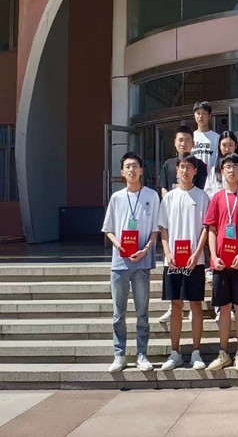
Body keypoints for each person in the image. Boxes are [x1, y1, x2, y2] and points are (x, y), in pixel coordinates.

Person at [102, 152, 161, 373]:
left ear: (141, 170)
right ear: (122, 172)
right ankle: (119, 354)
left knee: (142, 312)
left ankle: (142, 354)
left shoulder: (151, 196)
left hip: (142, 261)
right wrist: (119, 246)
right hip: (120, 262)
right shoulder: (117, 197)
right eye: (127, 166)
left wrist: (146, 249)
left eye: (135, 166)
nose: (131, 170)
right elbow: (108, 229)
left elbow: (156, 228)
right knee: (118, 312)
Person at [204, 153, 238, 371]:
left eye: (235, 166)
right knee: (224, 307)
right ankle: (223, 352)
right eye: (227, 166)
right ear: (221, 172)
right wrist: (214, 255)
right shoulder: (217, 198)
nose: (231, 170)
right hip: (220, 262)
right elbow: (211, 229)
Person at [157, 154, 210, 370]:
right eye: (182, 167)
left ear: (195, 171)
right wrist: (167, 253)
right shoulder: (169, 198)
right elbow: (163, 228)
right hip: (172, 261)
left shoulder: (202, 196)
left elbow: (206, 228)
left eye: (189, 167)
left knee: (195, 304)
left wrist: (197, 253)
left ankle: (196, 351)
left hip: (195, 261)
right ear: (177, 170)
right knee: (175, 304)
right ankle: (175, 352)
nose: (185, 171)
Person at [157, 125, 207, 199]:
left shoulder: (199, 164)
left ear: (193, 144)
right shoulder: (168, 164)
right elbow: (163, 187)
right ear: (175, 142)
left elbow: (202, 187)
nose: (183, 144)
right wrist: (168, 201)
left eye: (187, 140)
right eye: (180, 140)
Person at [205, 131, 238, 199]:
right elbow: (208, 192)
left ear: (235, 146)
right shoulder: (214, 170)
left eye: (230, 145)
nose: (227, 149)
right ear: (219, 146)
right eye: (224, 145)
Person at [191, 101, 221, 172]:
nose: (200, 116)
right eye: (198, 113)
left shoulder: (217, 137)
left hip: (211, 175)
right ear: (194, 115)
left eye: (204, 113)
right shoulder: (191, 137)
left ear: (209, 116)